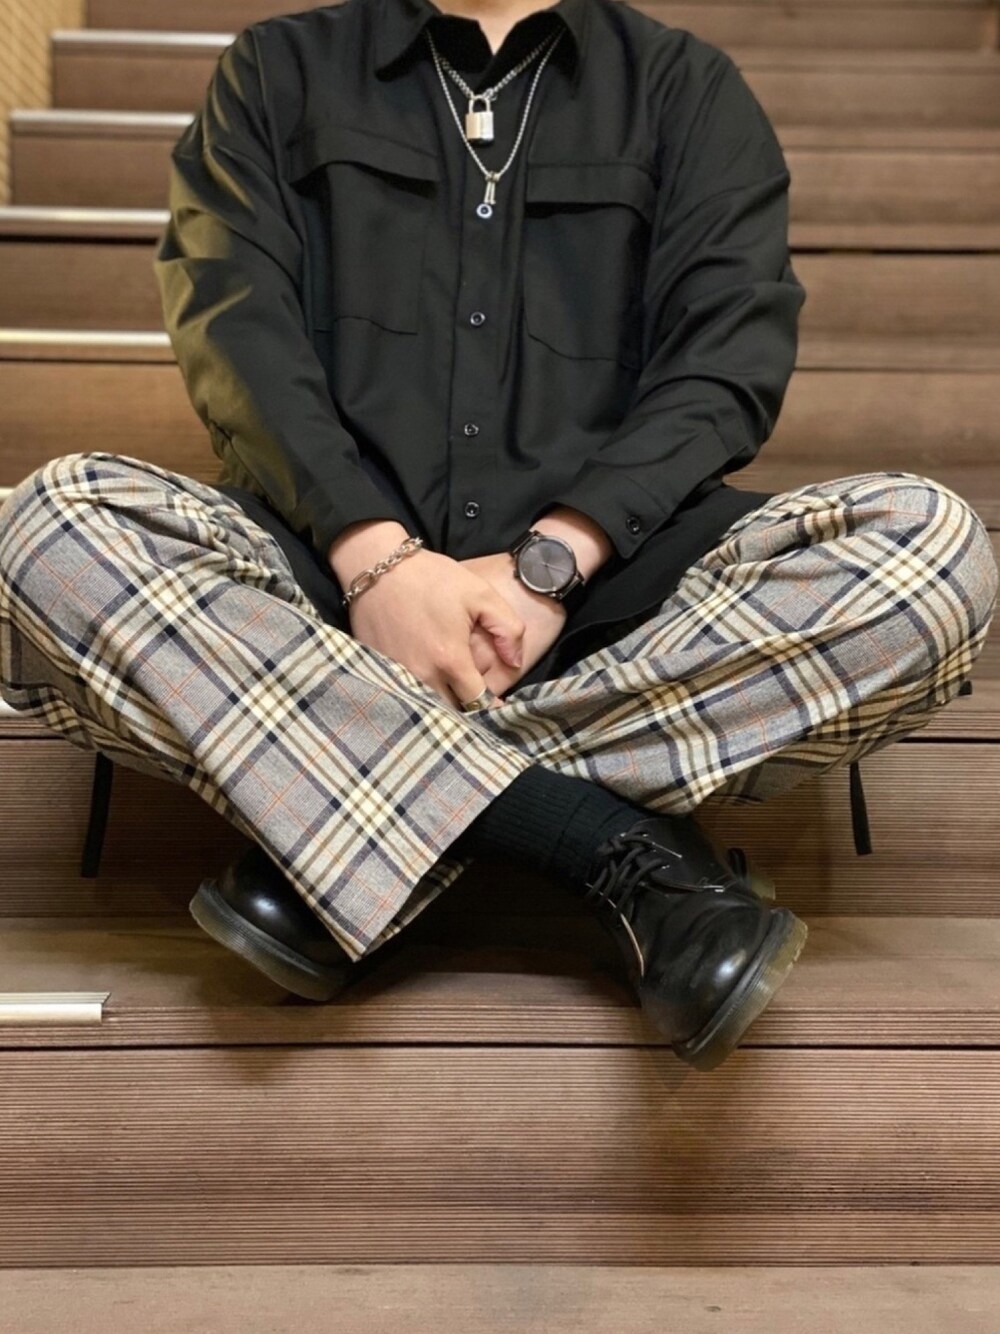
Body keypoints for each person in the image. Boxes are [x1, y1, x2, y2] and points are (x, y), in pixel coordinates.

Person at [0, 0, 995, 1072]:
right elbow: (233, 324)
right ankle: (607, 845)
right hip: (321, 595)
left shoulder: (686, 88)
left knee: (930, 550)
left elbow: (728, 360)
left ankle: (354, 815)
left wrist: (551, 565)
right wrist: (377, 561)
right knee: (51, 523)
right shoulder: (277, 69)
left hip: (617, 606)